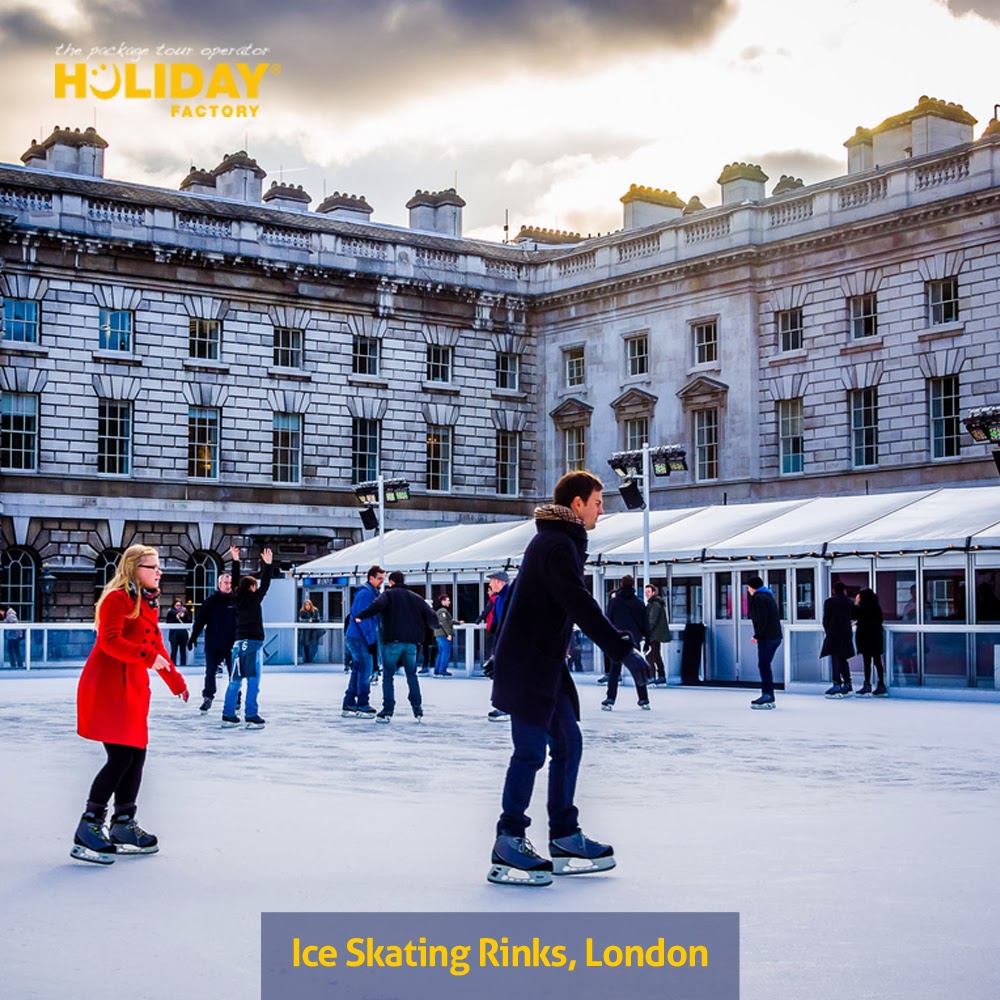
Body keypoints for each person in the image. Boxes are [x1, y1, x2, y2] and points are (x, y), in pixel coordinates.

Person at [487, 471, 649, 887]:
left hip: (544, 666)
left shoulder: (561, 542)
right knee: (529, 752)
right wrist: (622, 650)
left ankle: (563, 835)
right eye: (597, 501)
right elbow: (578, 602)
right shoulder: (557, 544)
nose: (602, 509)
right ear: (576, 504)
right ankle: (508, 839)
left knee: (568, 744)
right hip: (528, 665)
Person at [72, 545, 188, 864]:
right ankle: (89, 825)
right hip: (109, 686)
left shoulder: (146, 603)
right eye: (153, 567)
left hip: (132, 688)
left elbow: (157, 647)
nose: (159, 572)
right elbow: (108, 641)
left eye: (158, 567)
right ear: (134, 568)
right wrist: (149, 658)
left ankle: (123, 824)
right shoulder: (117, 599)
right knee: (121, 756)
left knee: (136, 756)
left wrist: (175, 681)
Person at [356, 570, 439, 723]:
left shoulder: (388, 595)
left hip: (392, 642)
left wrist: (360, 616)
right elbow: (432, 616)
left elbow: (375, 607)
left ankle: (388, 710)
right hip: (411, 644)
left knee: (388, 675)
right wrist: (434, 626)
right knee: (411, 675)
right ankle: (417, 708)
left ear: (392, 582)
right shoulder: (416, 598)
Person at [221, 548, 275, 729]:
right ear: (252, 587)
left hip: (238, 643)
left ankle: (228, 714)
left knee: (235, 680)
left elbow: (236, 582)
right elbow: (266, 585)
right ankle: (251, 714)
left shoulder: (236, 598)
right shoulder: (253, 598)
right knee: (253, 679)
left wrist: (235, 561)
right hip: (252, 643)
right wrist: (268, 565)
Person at [188, 545, 241, 712]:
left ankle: (236, 698)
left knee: (234, 675)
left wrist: (236, 560)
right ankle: (208, 697)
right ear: (219, 584)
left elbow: (238, 579)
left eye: (230, 582)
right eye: (225, 582)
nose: (228, 585)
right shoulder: (211, 601)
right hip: (213, 645)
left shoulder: (236, 599)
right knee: (210, 673)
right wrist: (193, 637)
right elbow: (201, 620)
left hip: (232, 645)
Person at [602, 574, 651, 711]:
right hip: (633, 640)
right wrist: (647, 639)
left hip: (617, 639)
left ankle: (610, 698)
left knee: (614, 671)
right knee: (637, 669)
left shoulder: (614, 602)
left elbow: (608, 621)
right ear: (633, 586)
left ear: (621, 585)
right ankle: (643, 698)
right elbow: (645, 624)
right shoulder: (639, 603)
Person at [342, 566, 385, 719]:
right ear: (371, 578)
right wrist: (371, 640)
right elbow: (363, 619)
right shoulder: (366, 594)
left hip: (359, 637)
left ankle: (349, 702)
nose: (382, 581)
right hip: (359, 638)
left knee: (359, 670)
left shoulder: (373, 593)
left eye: (383, 578)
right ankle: (362, 703)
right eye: (379, 578)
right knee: (365, 670)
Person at [745, 575, 781, 710]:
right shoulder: (768, 596)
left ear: (753, 588)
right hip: (775, 636)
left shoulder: (759, 598)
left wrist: (757, 635)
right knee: (765, 665)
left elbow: (762, 619)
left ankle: (767, 694)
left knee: (763, 665)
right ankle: (768, 694)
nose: (748, 590)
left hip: (767, 637)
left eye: (748, 588)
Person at [483, 570, 513, 721]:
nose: (490, 584)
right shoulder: (500, 597)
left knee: (506, 674)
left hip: (509, 641)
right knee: (504, 674)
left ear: (500, 582)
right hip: (503, 639)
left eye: (492, 581)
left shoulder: (508, 597)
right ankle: (506, 705)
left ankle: (506, 706)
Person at [822, 580, 856, 698]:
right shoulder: (849, 602)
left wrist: (828, 632)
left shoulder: (829, 602)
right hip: (846, 633)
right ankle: (847, 682)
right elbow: (855, 616)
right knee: (843, 658)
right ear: (844, 590)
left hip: (834, 633)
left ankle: (837, 683)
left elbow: (826, 619)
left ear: (834, 590)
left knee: (835, 657)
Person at [853, 588, 887, 696]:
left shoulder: (862, 608)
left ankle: (867, 684)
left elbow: (855, 615)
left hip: (865, 639)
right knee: (877, 661)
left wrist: (856, 603)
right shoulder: (876, 608)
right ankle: (881, 684)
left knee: (867, 662)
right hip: (876, 638)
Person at [644, 583, 670, 685]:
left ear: (654, 592)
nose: (646, 594)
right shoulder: (654, 604)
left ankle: (653, 676)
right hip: (656, 634)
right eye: (645, 592)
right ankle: (660, 676)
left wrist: (647, 633)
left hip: (654, 635)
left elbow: (652, 621)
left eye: (648, 592)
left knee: (651, 655)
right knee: (655, 655)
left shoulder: (654, 605)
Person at [433, 593, 459, 676]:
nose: (449, 602)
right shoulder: (443, 611)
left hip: (439, 634)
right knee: (445, 652)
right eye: (447, 600)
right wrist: (449, 634)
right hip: (443, 635)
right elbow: (445, 623)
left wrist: (457, 622)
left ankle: (437, 669)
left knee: (441, 652)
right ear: (442, 601)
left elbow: (448, 621)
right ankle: (442, 670)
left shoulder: (439, 611)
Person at [165, 599, 190, 667]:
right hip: (174, 634)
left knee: (183, 651)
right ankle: (172, 665)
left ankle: (183, 664)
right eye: (177, 605)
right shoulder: (171, 612)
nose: (178, 607)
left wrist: (184, 617)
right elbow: (168, 622)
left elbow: (189, 621)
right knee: (174, 651)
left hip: (183, 634)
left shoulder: (184, 612)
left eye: (179, 605)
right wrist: (176, 618)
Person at [298, 598, 322, 664]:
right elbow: (300, 620)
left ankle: (312, 659)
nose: (307, 607)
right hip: (305, 632)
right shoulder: (302, 611)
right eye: (306, 605)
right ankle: (306, 659)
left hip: (313, 631)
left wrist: (312, 620)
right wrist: (307, 620)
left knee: (313, 645)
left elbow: (318, 620)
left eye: (309, 605)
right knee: (306, 645)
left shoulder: (315, 610)